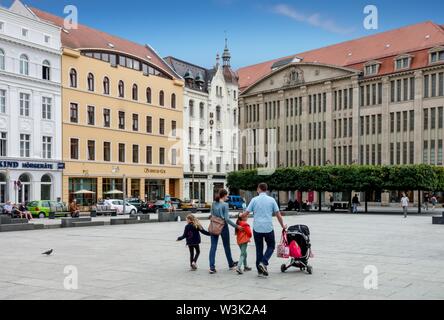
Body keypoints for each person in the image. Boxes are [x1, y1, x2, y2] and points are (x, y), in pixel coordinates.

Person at [244, 183, 286, 277]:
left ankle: (260, 270)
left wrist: (240, 217)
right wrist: (283, 225)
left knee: (259, 249)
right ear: (266, 190)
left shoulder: (254, 200)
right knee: (271, 246)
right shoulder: (271, 200)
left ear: (259, 189)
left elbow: (246, 213)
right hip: (268, 228)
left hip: (257, 228)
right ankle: (264, 262)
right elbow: (278, 214)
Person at [208, 189, 242, 274]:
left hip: (214, 225)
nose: (227, 197)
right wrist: (237, 226)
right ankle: (230, 264)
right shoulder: (225, 205)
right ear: (224, 195)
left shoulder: (213, 203)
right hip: (223, 227)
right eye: (227, 195)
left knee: (213, 246)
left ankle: (212, 267)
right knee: (226, 246)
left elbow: (211, 215)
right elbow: (226, 219)